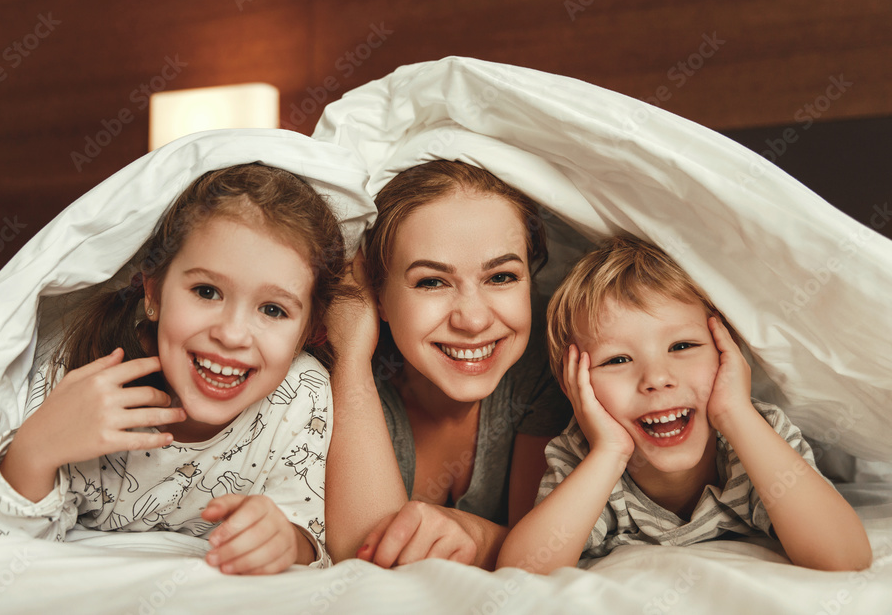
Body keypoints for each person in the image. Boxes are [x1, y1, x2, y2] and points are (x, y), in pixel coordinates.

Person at [0, 163, 347, 574]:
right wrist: (34, 450)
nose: (233, 335)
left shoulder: (301, 392)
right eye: (207, 291)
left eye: (273, 309)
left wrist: (285, 541)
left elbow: (308, 537)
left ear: (308, 329)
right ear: (153, 294)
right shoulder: (81, 369)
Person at [498, 235, 872, 572]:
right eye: (617, 360)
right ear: (574, 384)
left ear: (728, 355)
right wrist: (609, 453)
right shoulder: (582, 454)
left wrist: (736, 413)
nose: (657, 379)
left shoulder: (754, 435)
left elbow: (845, 557)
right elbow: (522, 572)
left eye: (682, 346)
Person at [325, 160, 571, 569]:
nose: (473, 321)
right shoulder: (331, 382)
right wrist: (350, 357)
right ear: (377, 294)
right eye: (431, 282)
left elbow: (542, 545)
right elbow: (365, 557)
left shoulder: (547, 364)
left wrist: (472, 533)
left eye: (501, 277)